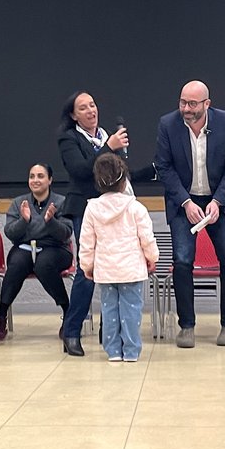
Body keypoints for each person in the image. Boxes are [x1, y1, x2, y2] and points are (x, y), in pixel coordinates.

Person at [56, 91, 151, 357]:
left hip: (117, 210)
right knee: (87, 273)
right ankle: (72, 331)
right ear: (74, 115)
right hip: (87, 209)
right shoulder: (69, 138)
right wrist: (109, 147)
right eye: (83, 108)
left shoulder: (105, 136)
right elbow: (81, 170)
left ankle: (108, 333)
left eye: (93, 105)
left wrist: (150, 171)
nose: (91, 111)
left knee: (117, 273)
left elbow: (120, 174)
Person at [155, 80, 225, 349]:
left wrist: (218, 201)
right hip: (184, 201)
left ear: (207, 104)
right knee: (182, 261)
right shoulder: (168, 124)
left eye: (192, 103)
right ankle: (187, 326)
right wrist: (185, 202)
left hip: (220, 201)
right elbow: (164, 166)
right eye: (183, 102)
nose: (186, 108)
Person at [79, 154, 159, 362]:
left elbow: (86, 242)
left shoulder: (92, 208)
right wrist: (152, 257)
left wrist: (87, 265)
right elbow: (147, 239)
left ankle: (113, 351)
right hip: (131, 269)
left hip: (105, 270)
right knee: (132, 310)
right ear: (125, 181)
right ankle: (131, 351)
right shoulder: (136, 208)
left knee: (109, 309)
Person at [0, 163, 74, 341]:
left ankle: (66, 310)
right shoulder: (19, 203)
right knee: (16, 264)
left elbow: (66, 233)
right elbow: (10, 232)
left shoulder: (61, 202)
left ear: (50, 180)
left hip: (56, 248)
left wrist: (51, 221)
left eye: (40, 176)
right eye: (32, 176)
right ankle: (1, 315)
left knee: (43, 265)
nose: (35, 180)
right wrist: (24, 220)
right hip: (25, 246)